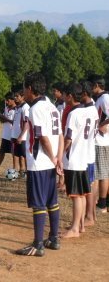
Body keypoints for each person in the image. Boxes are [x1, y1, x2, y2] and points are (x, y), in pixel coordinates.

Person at [16, 73, 63, 257]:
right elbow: (58, 134)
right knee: (52, 201)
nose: (24, 93)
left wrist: (52, 158)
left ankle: (37, 244)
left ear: (30, 89)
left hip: (39, 163)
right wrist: (58, 159)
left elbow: (43, 137)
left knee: (39, 203)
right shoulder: (52, 107)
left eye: (24, 89)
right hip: (51, 163)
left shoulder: (35, 109)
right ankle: (53, 238)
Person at [61, 82, 94, 238]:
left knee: (76, 195)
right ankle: (79, 225)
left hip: (73, 159)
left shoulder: (73, 114)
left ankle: (74, 229)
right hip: (83, 157)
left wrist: (60, 155)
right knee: (80, 194)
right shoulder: (87, 111)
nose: (63, 97)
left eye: (65, 95)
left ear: (70, 96)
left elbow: (68, 138)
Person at [90, 74, 109, 213]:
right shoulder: (100, 98)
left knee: (102, 174)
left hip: (102, 141)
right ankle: (99, 201)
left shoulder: (105, 98)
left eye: (91, 85)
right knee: (99, 173)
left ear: (97, 85)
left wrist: (101, 125)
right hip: (99, 141)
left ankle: (102, 204)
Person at [81, 80, 98, 226]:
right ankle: (91, 215)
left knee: (87, 188)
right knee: (89, 186)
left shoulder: (86, 111)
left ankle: (89, 217)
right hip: (89, 153)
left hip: (86, 155)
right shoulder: (92, 108)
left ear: (85, 93)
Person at [11, 90, 29, 177]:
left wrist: (21, 136)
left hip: (23, 137)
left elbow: (26, 123)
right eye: (15, 96)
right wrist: (13, 134)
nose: (15, 98)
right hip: (15, 136)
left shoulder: (25, 107)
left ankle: (28, 173)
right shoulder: (17, 107)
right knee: (15, 155)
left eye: (17, 96)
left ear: (23, 97)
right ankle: (16, 173)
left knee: (25, 156)